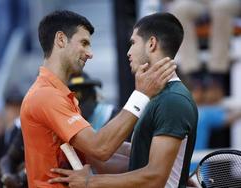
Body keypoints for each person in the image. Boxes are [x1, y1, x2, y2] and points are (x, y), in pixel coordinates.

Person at [20, 10, 176, 188]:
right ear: (61, 40)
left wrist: (165, 166)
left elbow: (100, 158)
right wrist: (141, 95)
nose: (90, 53)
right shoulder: (46, 96)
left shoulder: (57, 94)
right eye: (84, 43)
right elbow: (100, 148)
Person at [0, 73, 117, 188]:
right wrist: (10, 176)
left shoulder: (109, 116)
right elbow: (10, 158)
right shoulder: (40, 115)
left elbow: (113, 156)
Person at [168, 0, 241, 81]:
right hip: (200, 3)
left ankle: (217, 73)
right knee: (179, 8)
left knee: (221, 7)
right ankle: (193, 73)